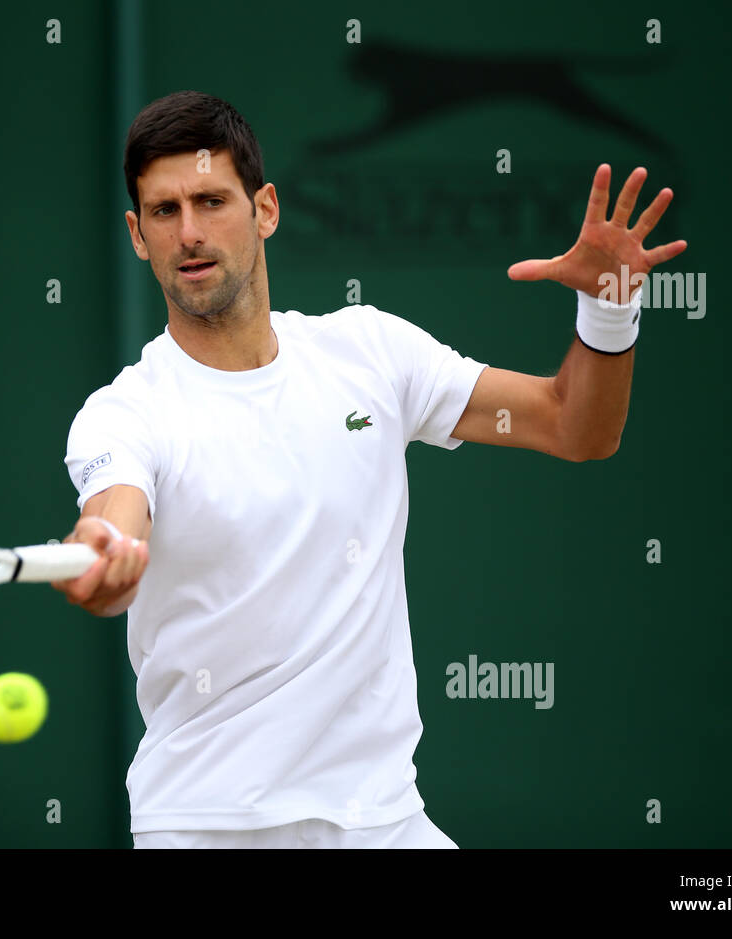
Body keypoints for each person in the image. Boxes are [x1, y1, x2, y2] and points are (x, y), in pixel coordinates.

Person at [51, 90, 686, 849]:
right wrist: (107, 556)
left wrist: (610, 309)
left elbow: (575, 426)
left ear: (266, 210)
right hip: (206, 826)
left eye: (212, 200)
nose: (189, 232)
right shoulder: (126, 413)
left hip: (384, 821)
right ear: (137, 234)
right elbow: (113, 515)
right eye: (164, 211)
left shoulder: (370, 354)